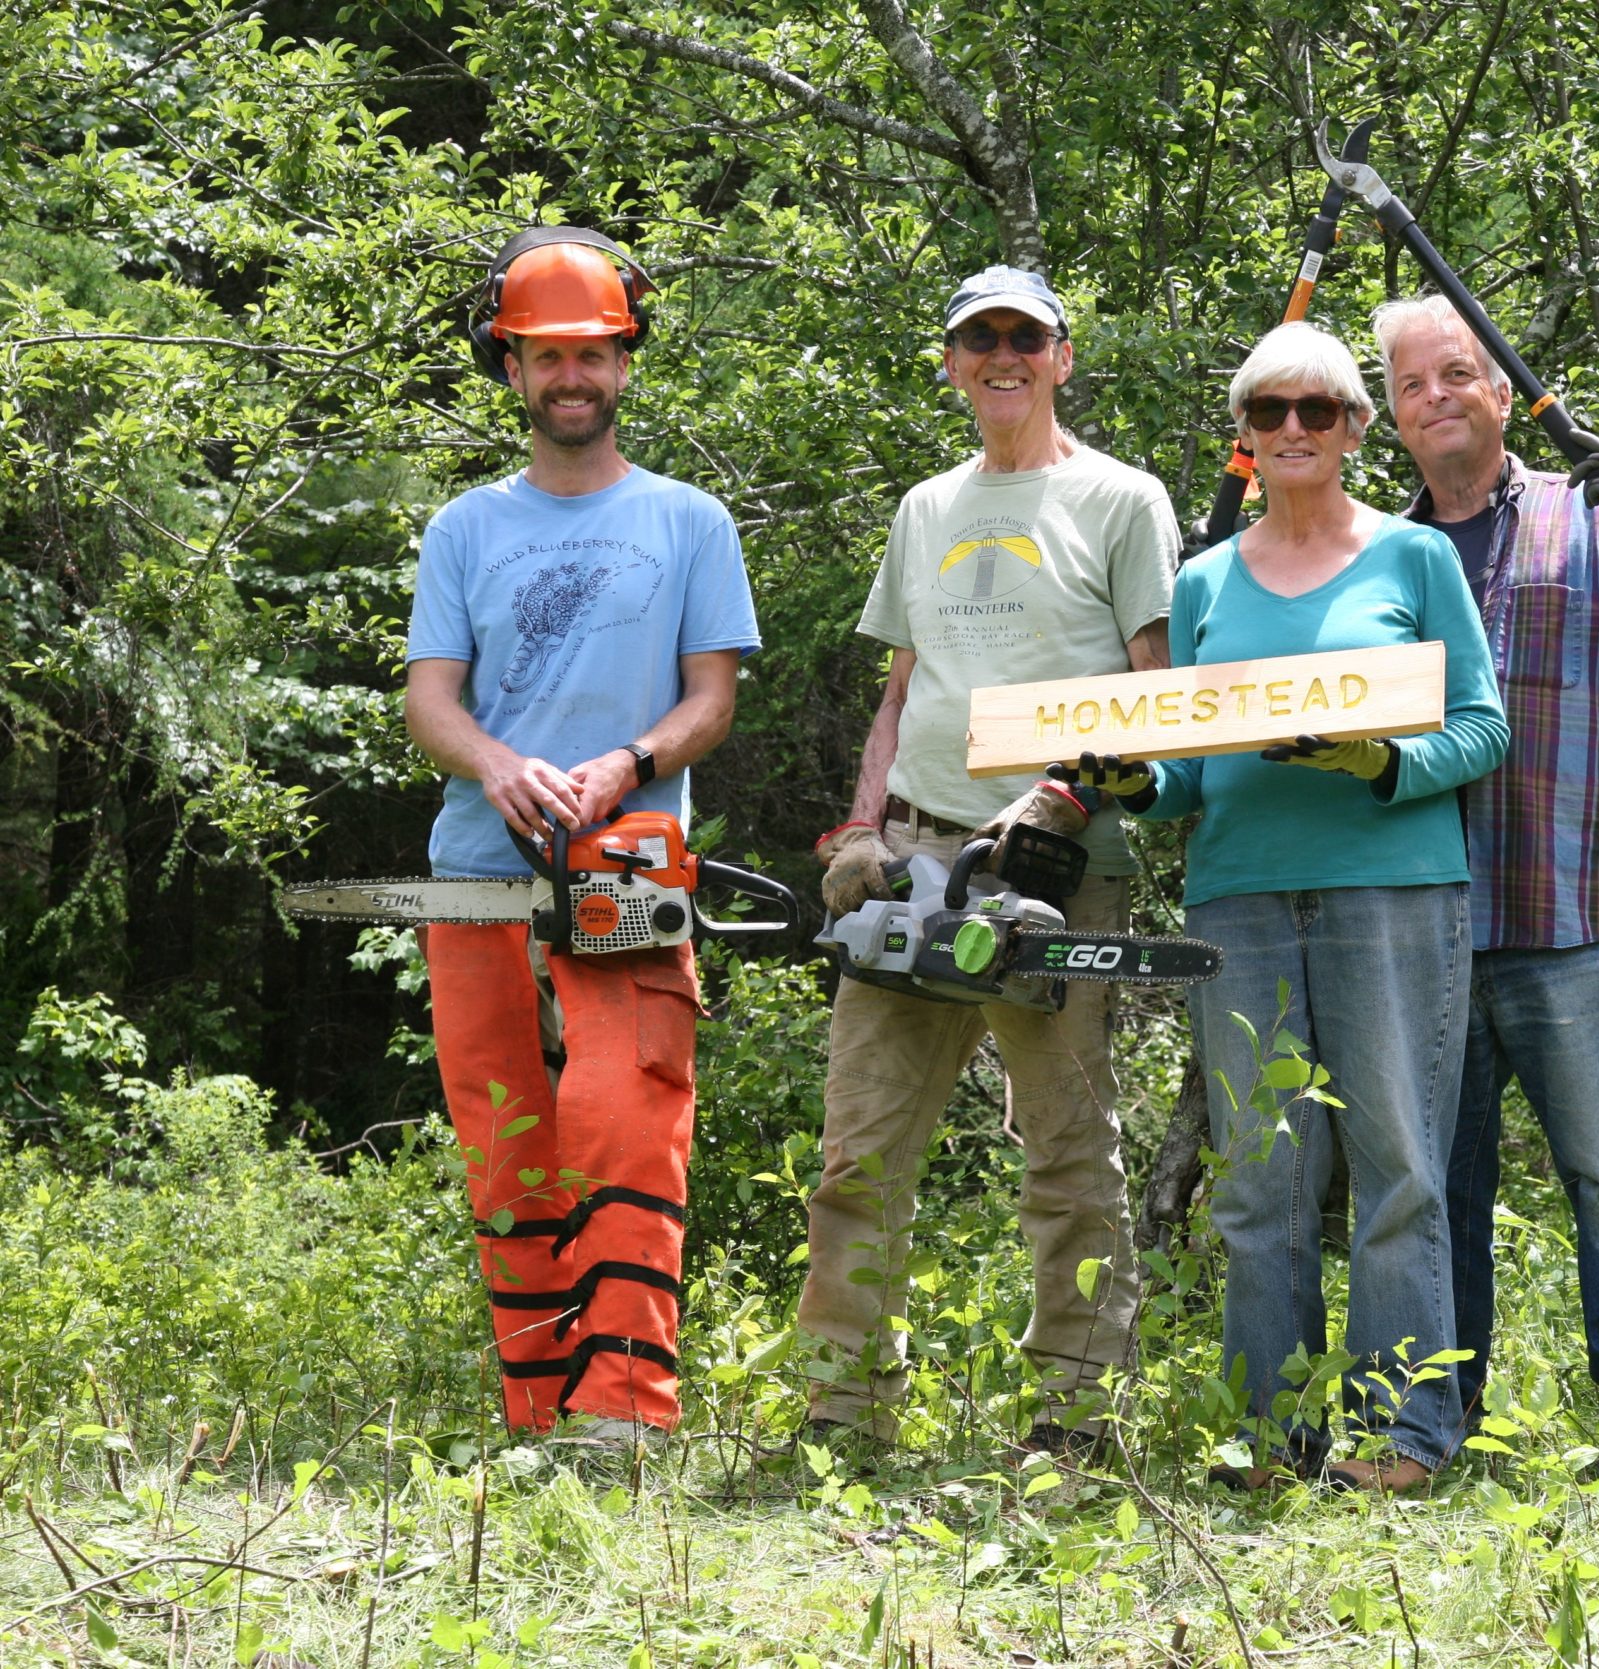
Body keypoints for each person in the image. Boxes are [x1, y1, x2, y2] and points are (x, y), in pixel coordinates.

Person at [1058, 321, 1509, 1494]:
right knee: (1260, 1177)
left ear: (1360, 428)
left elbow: (1480, 728)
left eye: (1319, 408)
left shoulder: (1414, 560)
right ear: (1245, 439)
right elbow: (1187, 772)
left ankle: (1404, 1437)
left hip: (1395, 896)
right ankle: (1270, 1437)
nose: (1295, 429)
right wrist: (1130, 781)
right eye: (1270, 412)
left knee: (1399, 1166)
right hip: (1242, 900)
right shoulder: (1202, 583)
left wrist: (1376, 764)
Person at [800, 265, 1177, 1458]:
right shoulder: (925, 507)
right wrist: (860, 830)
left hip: (1058, 866)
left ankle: (1074, 1417)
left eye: (1025, 336)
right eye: (979, 340)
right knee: (857, 1156)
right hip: (911, 859)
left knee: (1067, 1149)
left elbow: (1154, 693)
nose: (1001, 356)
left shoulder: (1123, 499)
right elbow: (901, 688)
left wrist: (1063, 800)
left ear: (1063, 355)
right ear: (954, 362)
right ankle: (841, 1418)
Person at [406, 228, 762, 1444]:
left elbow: (710, 697)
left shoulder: (689, 521)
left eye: (594, 354)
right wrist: (500, 765)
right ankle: (533, 1412)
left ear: (626, 361)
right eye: (547, 355)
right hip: (478, 868)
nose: (573, 376)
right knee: (505, 1134)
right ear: (510, 367)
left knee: (625, 1119)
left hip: (632, 860)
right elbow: (429, 699)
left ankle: (623, 1413)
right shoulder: (463, 529)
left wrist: (627, 764)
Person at [1372, 296, 1599, 1465]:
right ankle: (1436, 1422)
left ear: (1503, 393)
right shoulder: (1382, 556)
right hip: (1426, 916)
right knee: (1436, 1192)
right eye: (1414, 384)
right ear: (1392, 416)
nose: (1438, 397)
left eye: (1458, 374)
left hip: (1576, 900)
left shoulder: (1589, 514)